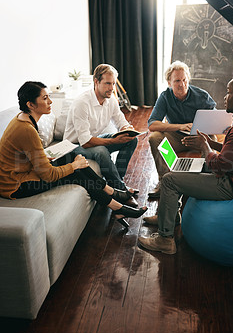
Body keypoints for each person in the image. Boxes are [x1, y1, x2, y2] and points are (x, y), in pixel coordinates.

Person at [138, 73, 233, 254]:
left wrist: (204, 146)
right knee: (180, 168)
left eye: (228, 92)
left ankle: (165, 239)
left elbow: (220, 166)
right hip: (232, 172)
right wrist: (211, 143)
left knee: (169, 180)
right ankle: (172, 217)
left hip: (232, 183)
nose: (224, 96)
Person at [0, 81, 147, 229]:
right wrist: (74, 166)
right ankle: (117, 205)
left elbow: (25, 155)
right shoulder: (26, 129)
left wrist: (52, 158)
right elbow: (48, 175)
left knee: (69, 156)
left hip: (24, 171)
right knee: (76, 173)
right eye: (45, 98)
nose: (50, 101)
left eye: (49, 96)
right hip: (16, 186)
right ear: (30, 105)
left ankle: (112, 193)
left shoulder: (24, 119)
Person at [63, 64, 139, 206]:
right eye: (108, 83)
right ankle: (121, 190)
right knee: (101, 150)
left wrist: (127, 129)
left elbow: (121, 121)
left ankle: (117, 183)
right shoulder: (82, 103)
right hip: (74, 146)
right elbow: (85, 142)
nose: (112, 88)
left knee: (132, 141)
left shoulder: (111, 100)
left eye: (114, 83)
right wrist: (114, 141)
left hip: (92, 139)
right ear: (96, 82)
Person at [147, 60, 216, 200]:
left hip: (200, 136)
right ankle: (165, 180)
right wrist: (180, 126)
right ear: (169, 83)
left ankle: (204, 183)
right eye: (177, 81)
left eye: (184, 80)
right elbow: (152, 124)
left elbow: (215, 118)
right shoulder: (165, 96)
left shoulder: (202, 95)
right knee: (154, 138)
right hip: (177, 136)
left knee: (211, 144)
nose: (182, 84)